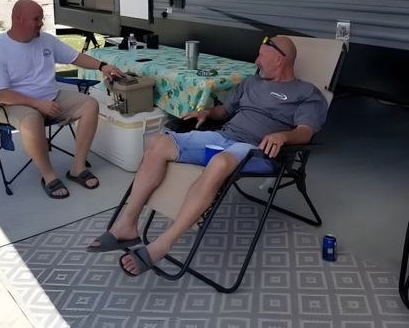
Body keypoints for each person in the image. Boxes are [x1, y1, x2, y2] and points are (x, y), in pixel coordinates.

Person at [87, 36, 328, 275]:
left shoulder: (306, 93)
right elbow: (226, 110)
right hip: (223, 138)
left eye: (262, 56)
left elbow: (305, 132)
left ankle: (163, 244)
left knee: (220, 162)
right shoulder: (252, 83)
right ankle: (127, 225)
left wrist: (284, 136)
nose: (256, 61)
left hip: (259, 151)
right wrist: (207, 113)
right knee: (159, 142)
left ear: (279, 59)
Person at [0, 0, 124, 199]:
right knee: (32, 119)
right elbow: (0, 94)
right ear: (18, 19)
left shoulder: (46, 40)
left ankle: (77, 167)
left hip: (51, 98)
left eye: (42, 18)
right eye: (36, 18)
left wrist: (102, 66)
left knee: (90, 104)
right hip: (14, 104)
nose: (41, 23)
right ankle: (48, 176)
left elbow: (75, 57)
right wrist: (38, 104)